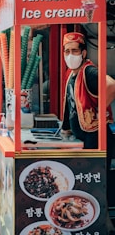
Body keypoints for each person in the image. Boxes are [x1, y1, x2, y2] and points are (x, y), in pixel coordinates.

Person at [61, 32, 115, 234]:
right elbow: (71, 105)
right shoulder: (72, 74)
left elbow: (111, 85)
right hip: (82, 137)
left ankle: (106, 225)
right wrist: (66, 128)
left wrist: (100, 112)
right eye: (67, 51)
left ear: (83, 52)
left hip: (96, 137)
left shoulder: (88, 71)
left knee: (98, 181)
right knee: (87, 181)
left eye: (74, 51)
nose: (70, 55)